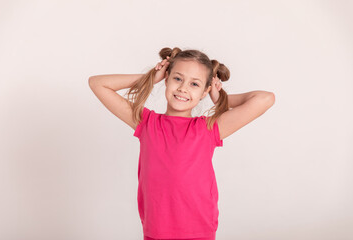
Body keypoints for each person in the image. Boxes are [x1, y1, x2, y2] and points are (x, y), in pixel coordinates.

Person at [89, 47, 275, 240]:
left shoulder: (209, 128)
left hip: (199, 231)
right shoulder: (146, 123)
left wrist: (221, 98)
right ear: (167, 78)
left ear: (205, 92)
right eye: (178, 79)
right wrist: (150, 78)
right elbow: (97, 84)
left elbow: (265, 99)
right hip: (156, 231)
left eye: (195, 84)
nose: (183, 88)